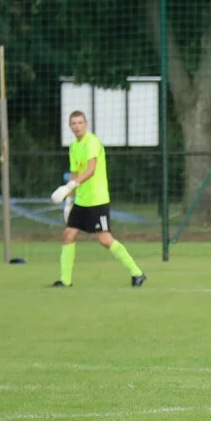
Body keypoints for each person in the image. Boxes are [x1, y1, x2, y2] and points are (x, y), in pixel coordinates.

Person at [49, 111, 146, 288]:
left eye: (80, 123)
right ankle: (65, 280)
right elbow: (75, 172)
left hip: (97, 200)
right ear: (70, 126)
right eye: (74, 123)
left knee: (105, 239)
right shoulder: (73, 146)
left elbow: (91, 170)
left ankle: (137, 273)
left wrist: (70, 186)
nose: (77, 126)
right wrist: (69, 201)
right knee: (68, 235)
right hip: (81, 200)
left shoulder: (92, 142)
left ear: (86, 124)